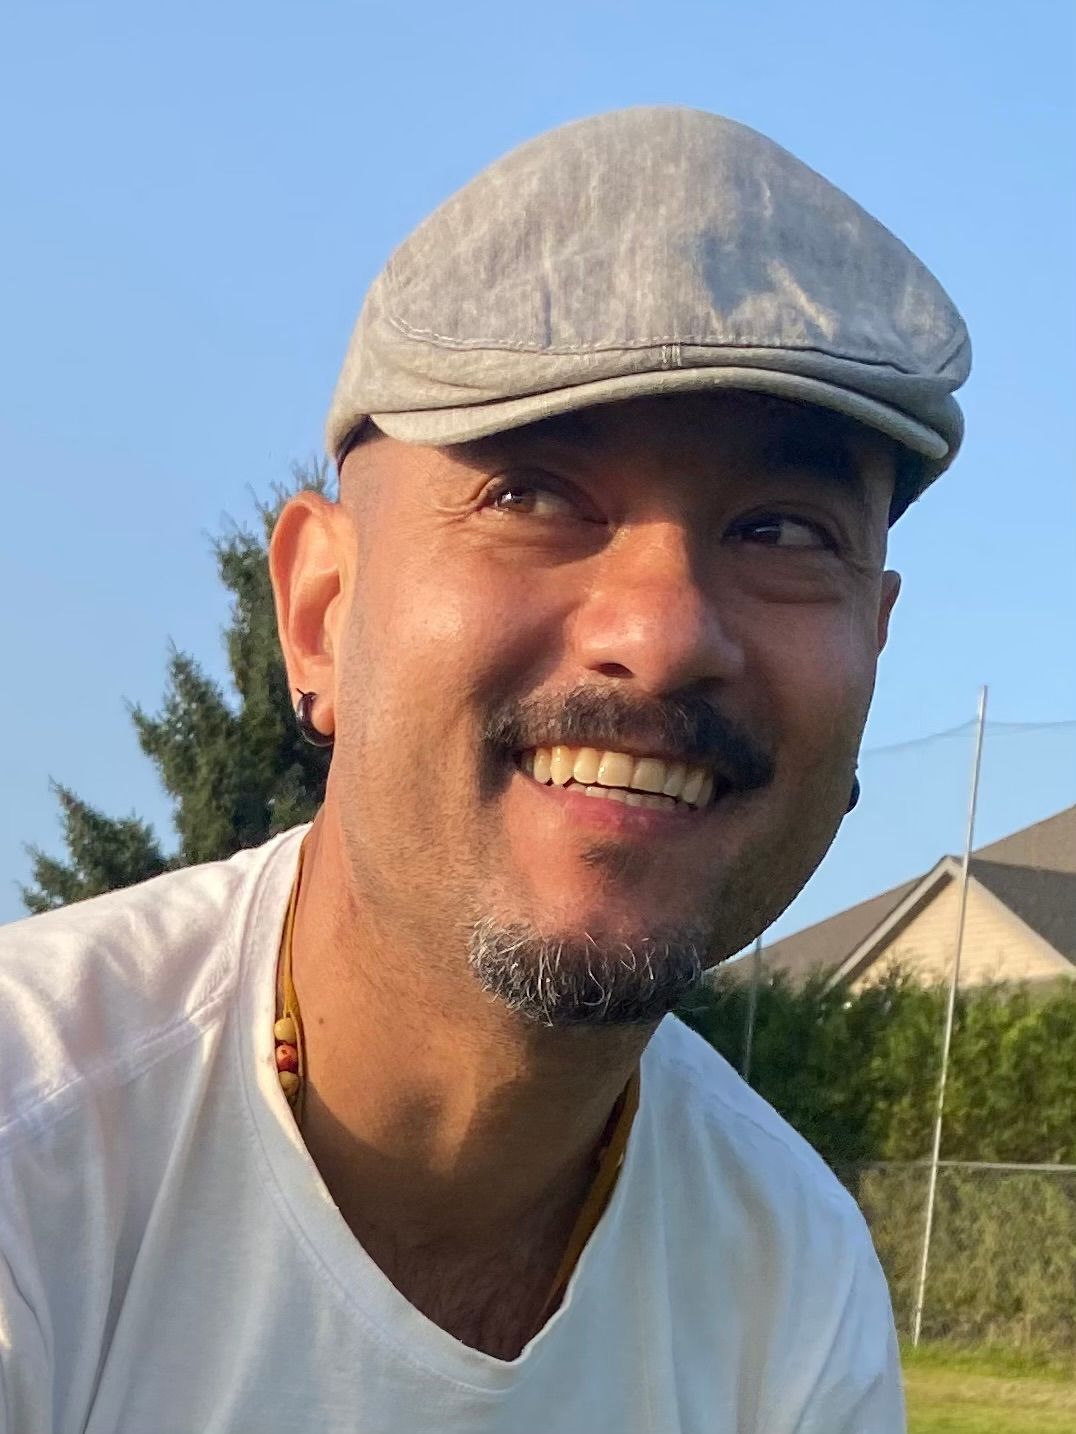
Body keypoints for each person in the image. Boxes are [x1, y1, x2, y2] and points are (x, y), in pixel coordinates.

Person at [0, 107, 969, 1432]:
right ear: (320, 613)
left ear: (875, 643)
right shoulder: (33, 1151)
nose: (668, 630)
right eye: (533, 492)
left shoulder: (789, 1281)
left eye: (784, 528)